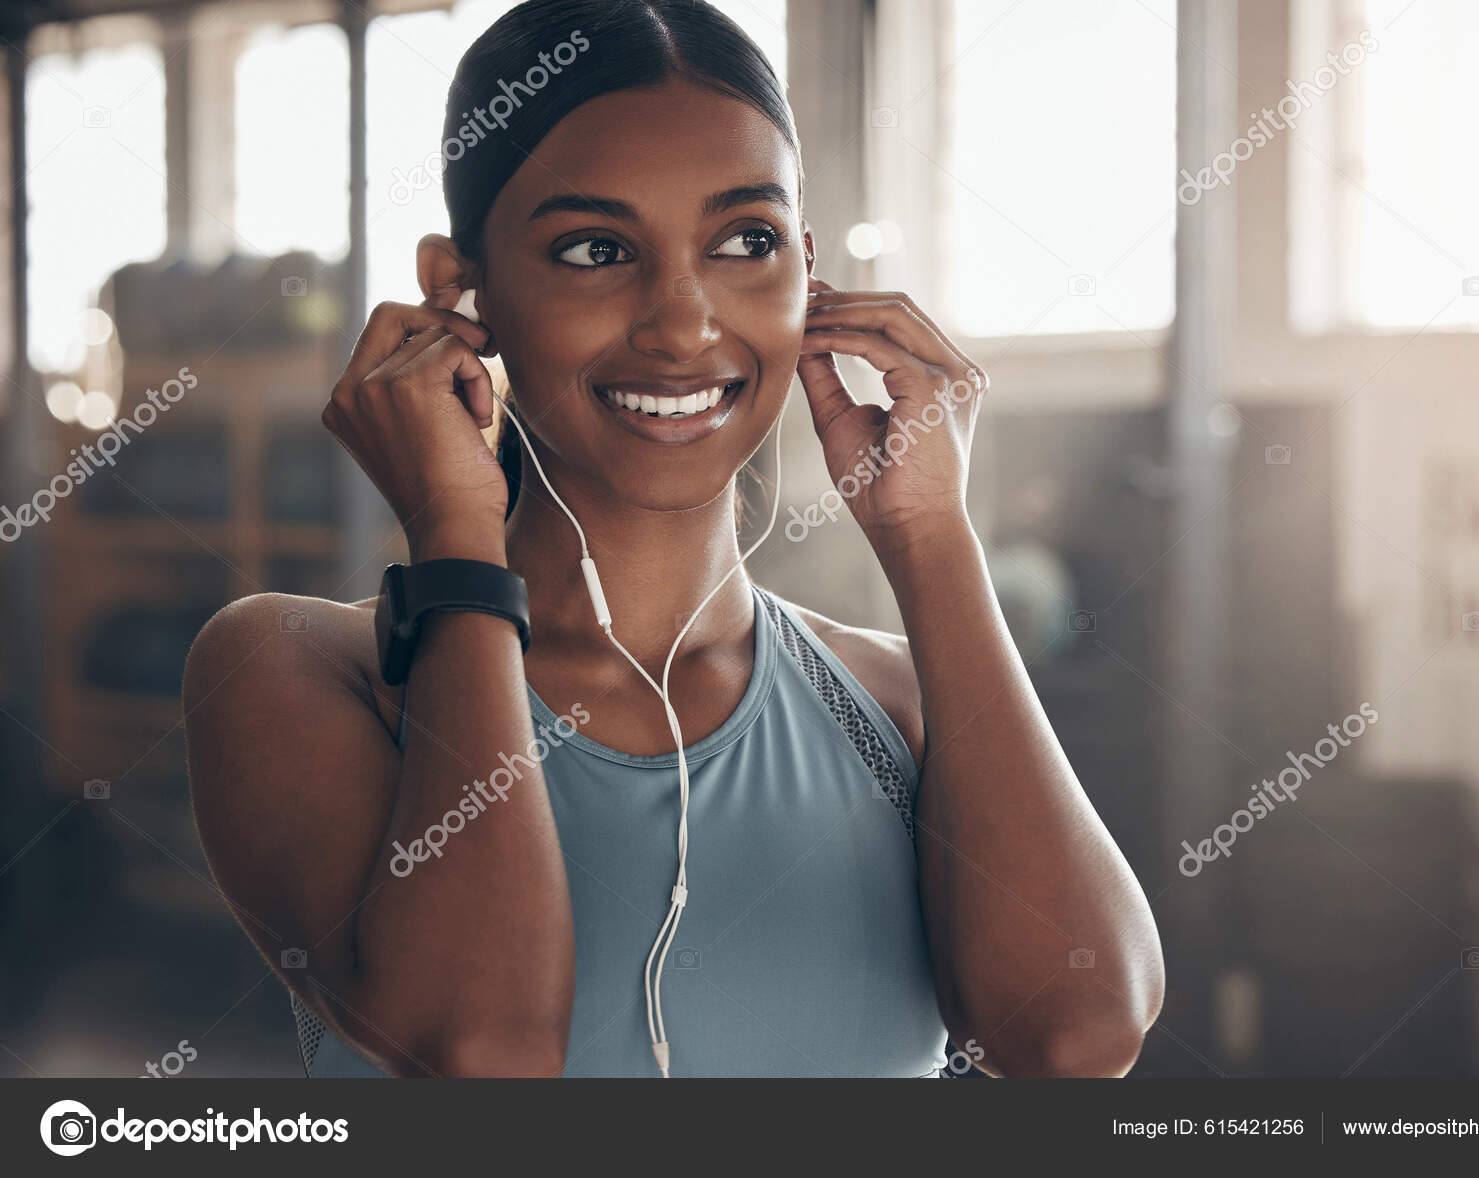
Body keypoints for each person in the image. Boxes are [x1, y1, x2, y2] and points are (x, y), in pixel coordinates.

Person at [181, 0, 1163, 1078]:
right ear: (460, 290)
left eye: (747, 240)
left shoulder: (900, 708)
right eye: (595, 248)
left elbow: (1075, 1038)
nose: (685, 322)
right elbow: (480, 1047)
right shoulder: (300, 670)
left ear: (806, 274)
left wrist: (930, 535)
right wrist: (454, 536)